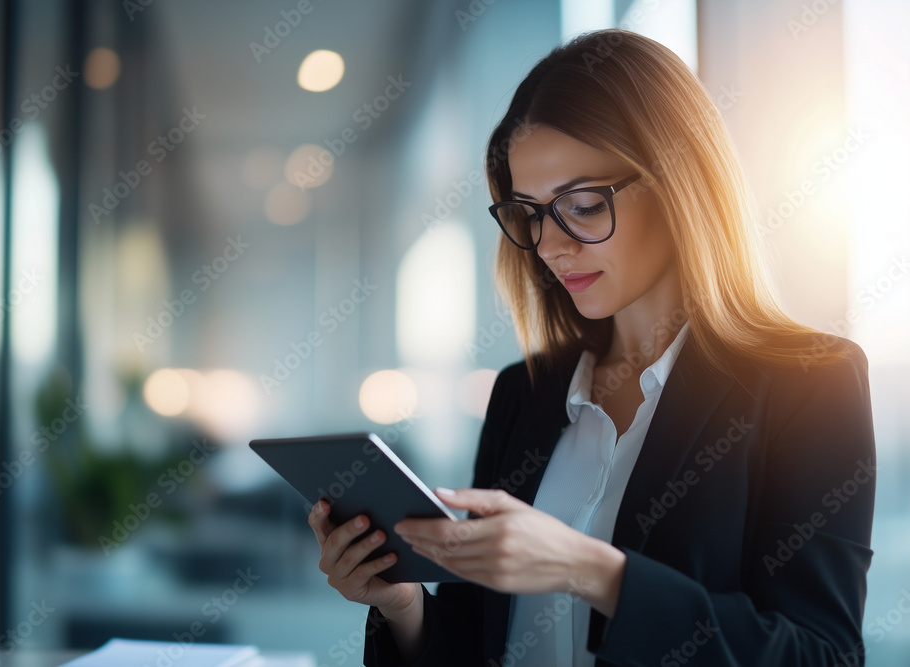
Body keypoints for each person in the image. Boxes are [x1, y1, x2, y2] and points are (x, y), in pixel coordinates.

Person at [307, 28, 875, 667]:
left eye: (580, 204)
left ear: (677, 186)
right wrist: (405, 605)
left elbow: (821, 654)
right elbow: (480, 638)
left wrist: (594, 571)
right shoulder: (523, 394)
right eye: (531, 213)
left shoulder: (809, 385)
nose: (550, 245)